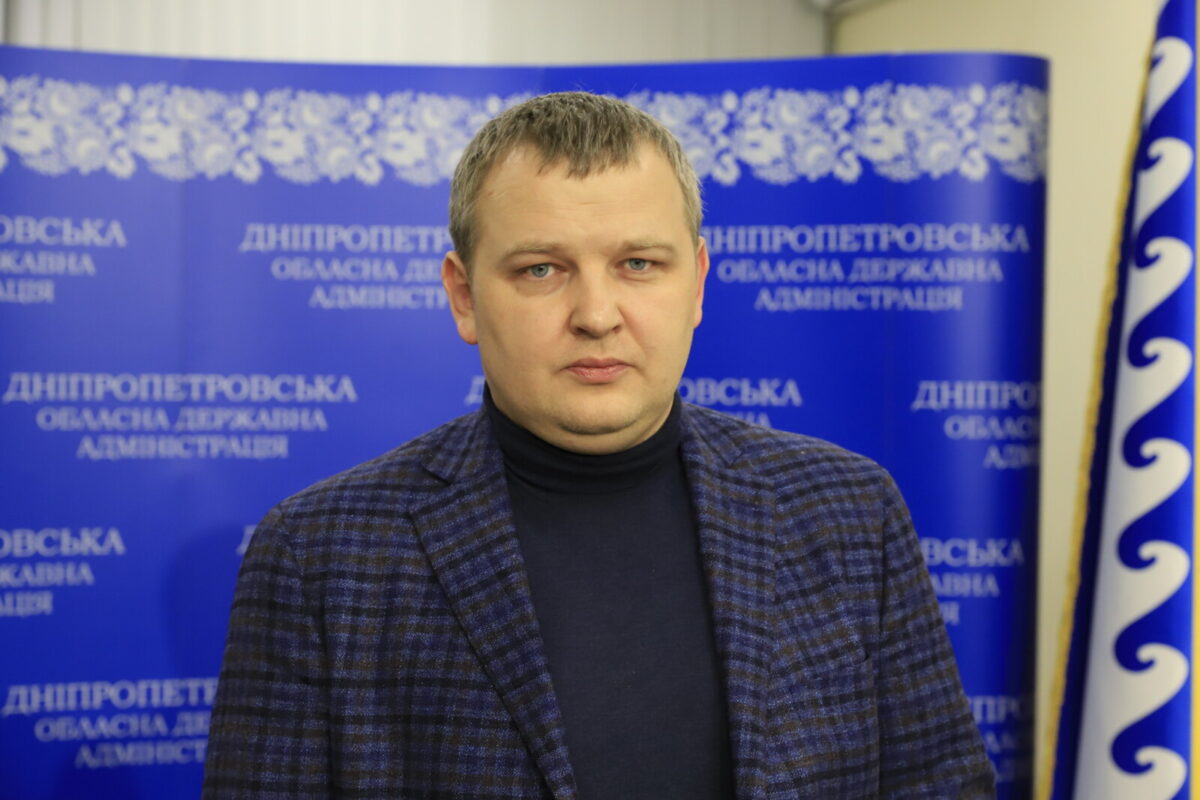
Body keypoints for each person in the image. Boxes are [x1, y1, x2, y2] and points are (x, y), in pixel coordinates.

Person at [202, 91, 994, 799]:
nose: (596, 314)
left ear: (697, 284)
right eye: (541, 270)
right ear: (464, 296)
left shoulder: (850, 512)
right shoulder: (319, 556)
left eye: (638, 264)